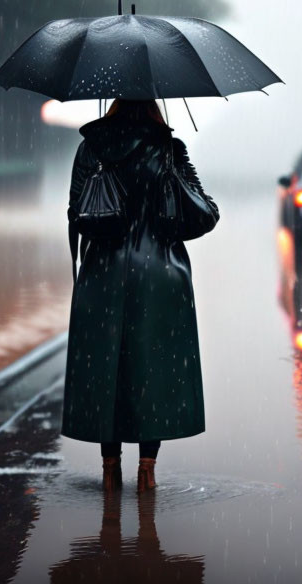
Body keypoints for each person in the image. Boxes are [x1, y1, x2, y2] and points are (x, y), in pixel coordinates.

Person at [62, 98, 218, 492]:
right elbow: (205, 210)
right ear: (152, 103)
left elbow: (75, 212)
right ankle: (147, 469)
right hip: (161, 276)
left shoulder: (90, 148)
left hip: (103, 275)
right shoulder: (169, 148)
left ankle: (109, 467)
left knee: (106, 372)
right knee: (154, 372)